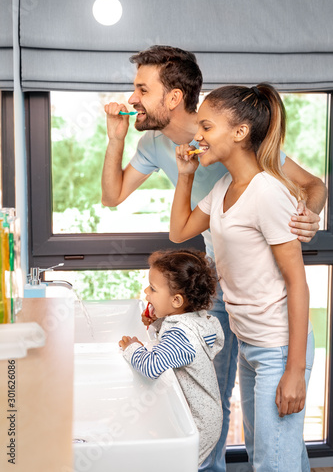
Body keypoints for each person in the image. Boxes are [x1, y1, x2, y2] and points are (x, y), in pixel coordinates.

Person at [102, 45, 326, 472]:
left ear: (173, 98)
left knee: (272, 451)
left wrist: (307, 214)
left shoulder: (260, 175)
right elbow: (173, 227)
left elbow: (299, 267)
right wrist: (168, 166)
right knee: (245, 429)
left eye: (141, 89)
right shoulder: (212, 183)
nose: (132, 99)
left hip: (273, 332)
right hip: (237, 316)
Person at [169, 83, 315, 472]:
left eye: (206, 126)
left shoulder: (267, 192)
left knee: (272, 462)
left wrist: (294, 372)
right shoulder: (224, 188)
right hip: (252, 343)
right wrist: (185, 174)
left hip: (279, 348)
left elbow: (298, 283)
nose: (197, 135)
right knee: (273, 452)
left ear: (239, 132)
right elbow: (179, 230)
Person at [119, 248, 224, 466]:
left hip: (198, 423)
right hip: (208, 418)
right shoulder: (195, 321)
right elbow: (175, 350)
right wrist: (157, 322)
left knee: (177, 466)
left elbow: (152, 367)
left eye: (153, 289)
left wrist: (132, 348)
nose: (146, 292)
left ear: (176, 300)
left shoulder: (180, 335)